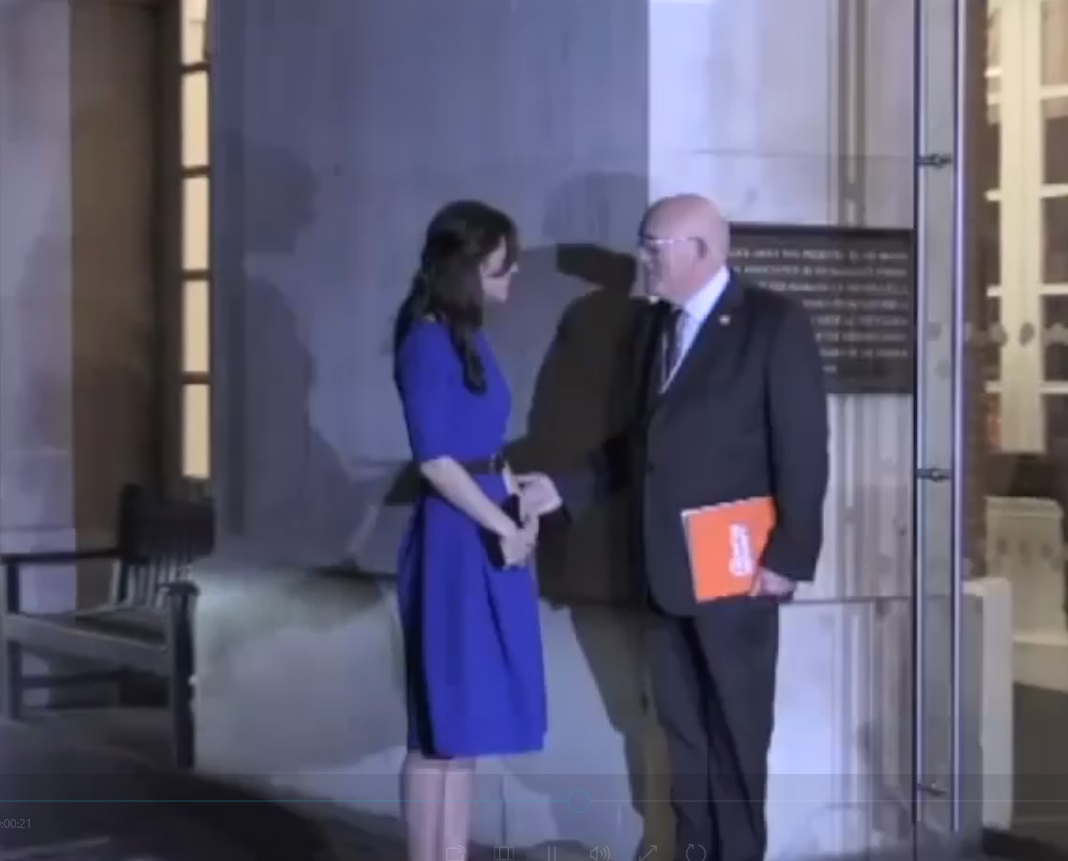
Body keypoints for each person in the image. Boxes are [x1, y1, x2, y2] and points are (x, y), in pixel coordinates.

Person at [519, 194, 829, 861]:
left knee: (736, 734)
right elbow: (640, 444)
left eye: (653, 246)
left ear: (701, 250)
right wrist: (565, 488)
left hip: (740, 571)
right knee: (682, 732)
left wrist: (788, 557)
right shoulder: (655, 329)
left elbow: (804, 448)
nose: (643, 258)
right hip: (664, 570)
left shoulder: (773, 323)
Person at [392, 200, 547, 861]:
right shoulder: (426, 341)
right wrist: (499, 524)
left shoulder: (469, 337)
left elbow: (486, 445)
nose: (512, 277)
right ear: (467, 267)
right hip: (454, 541)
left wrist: (519, 505)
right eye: (501, 266)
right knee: (440, 724)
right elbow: (435, 459)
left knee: (468, 723)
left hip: (489, 522)